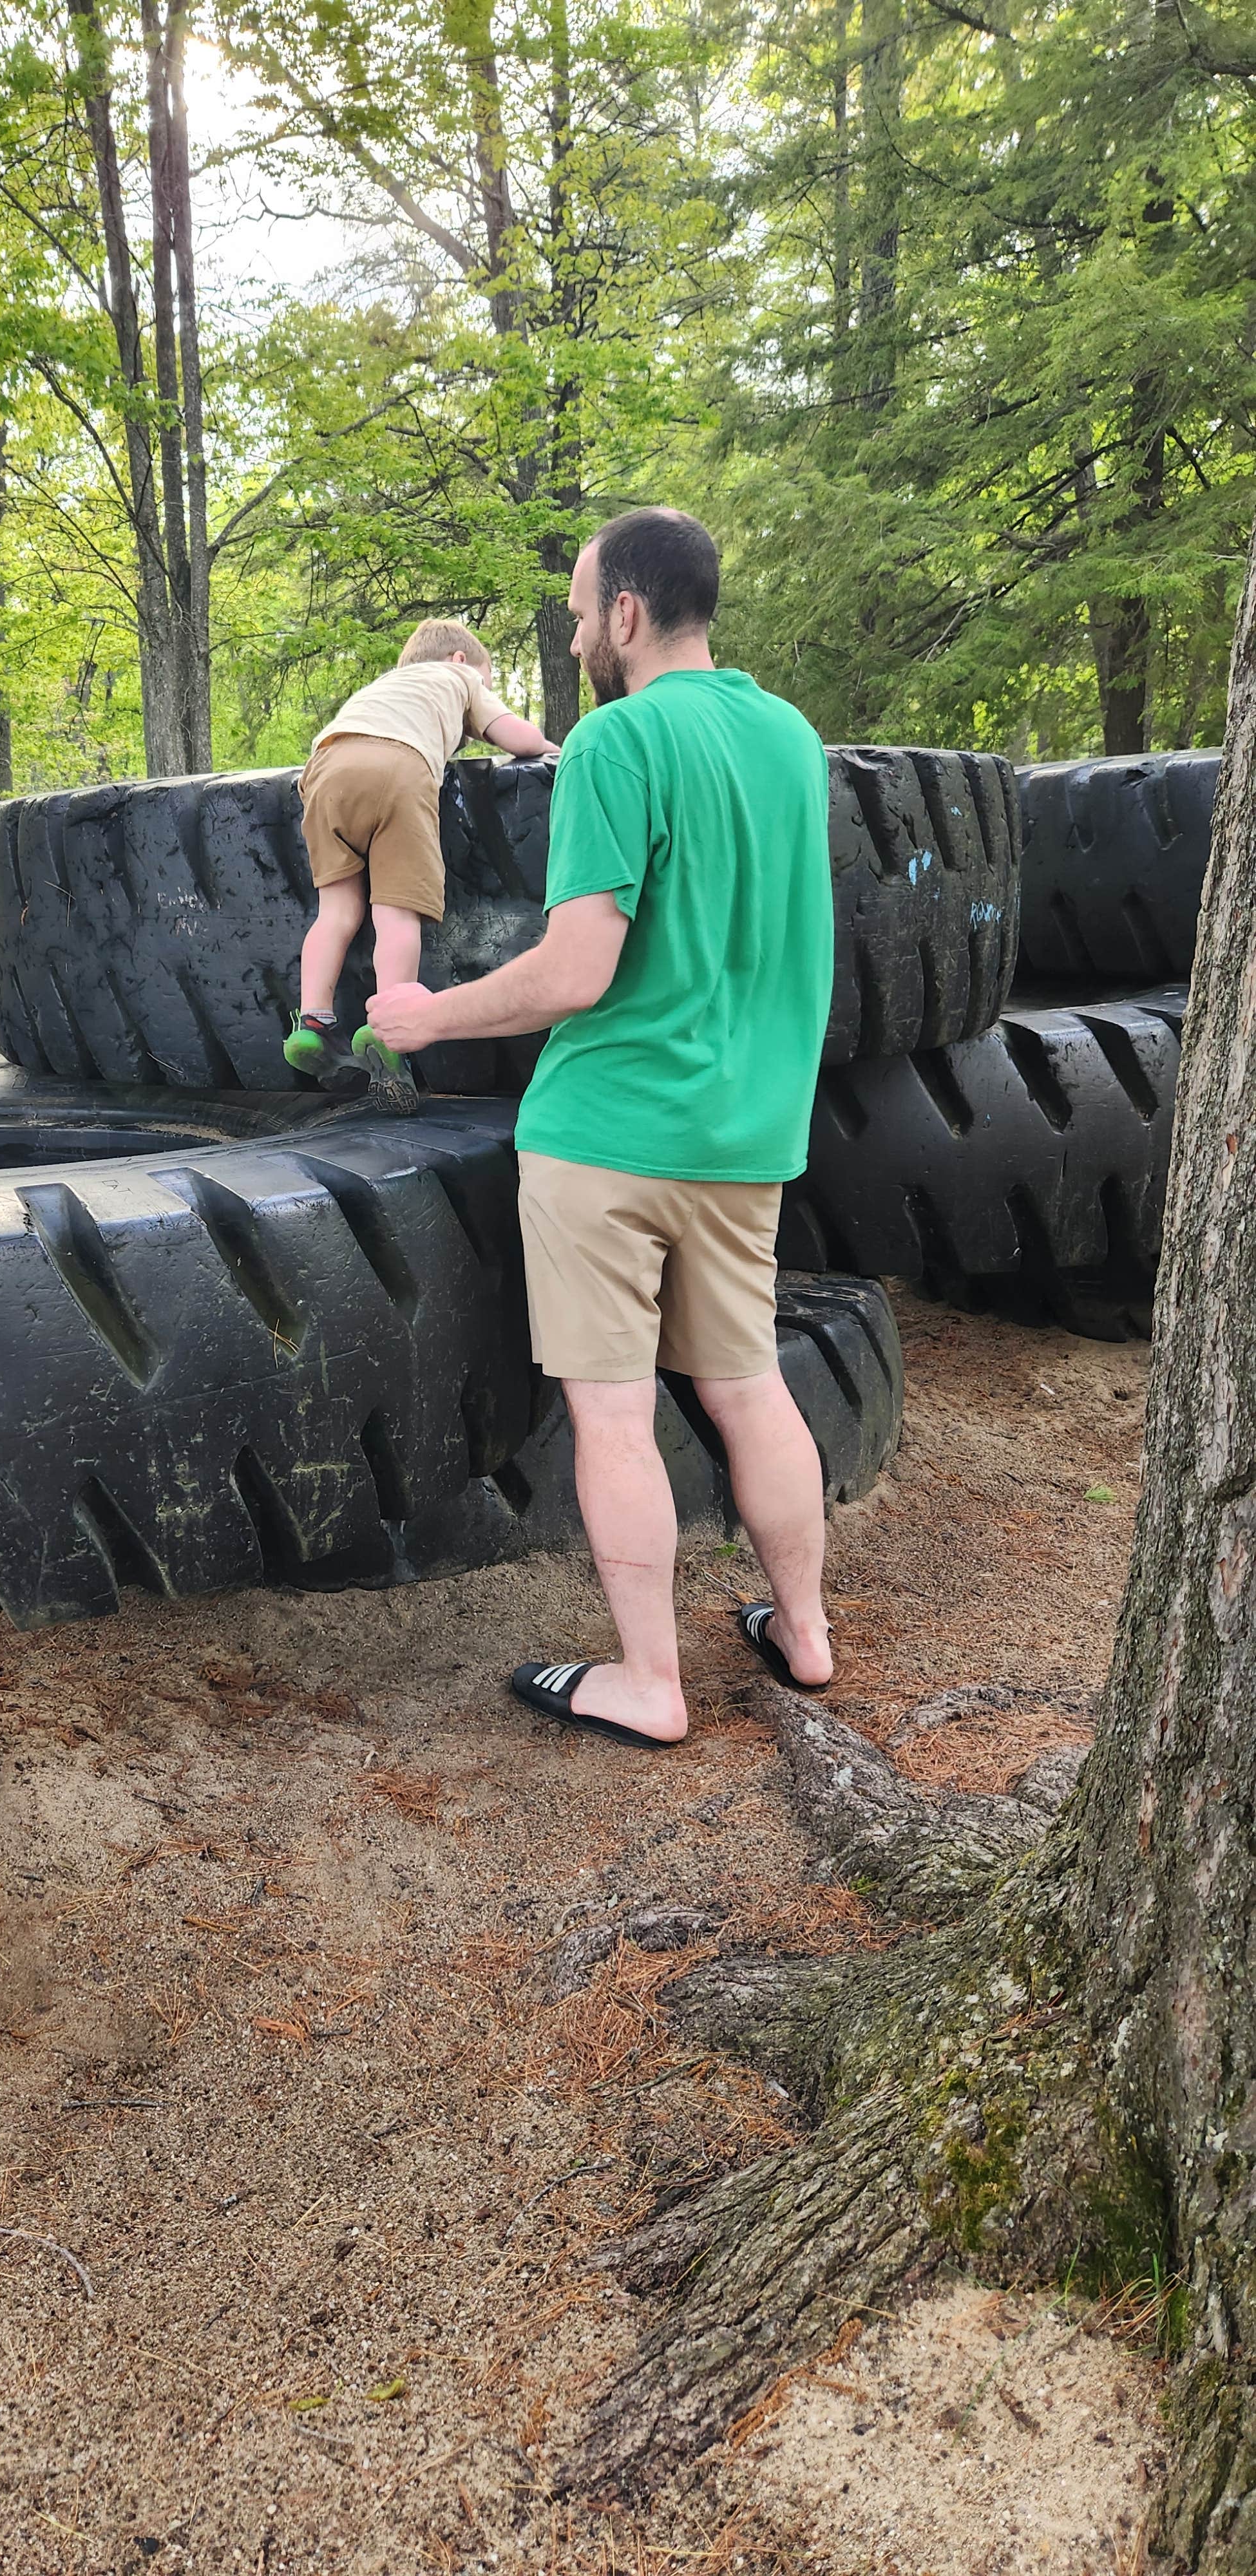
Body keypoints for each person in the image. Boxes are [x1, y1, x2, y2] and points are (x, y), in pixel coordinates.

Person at [365, 509, 834, 1747]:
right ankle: (805, 1633)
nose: (577, 633)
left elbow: (576, 970)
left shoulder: (614, 744)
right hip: (747, 1138)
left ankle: (650, 1684)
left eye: (580, 612)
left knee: (616, 1416)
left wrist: (429, 1015)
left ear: (625, 614)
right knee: (747, 1387)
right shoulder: (789, 735)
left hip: (608, 1135)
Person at [284, 621, 559, 1095]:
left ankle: (312, 1021)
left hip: (325, 770)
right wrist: (551, 749)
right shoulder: (459, 678)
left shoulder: (383, 688)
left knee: (336, 913)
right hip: (399, 768)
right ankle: (389, 1026)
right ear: (460, 660)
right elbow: (515, 736)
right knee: (396, 914)